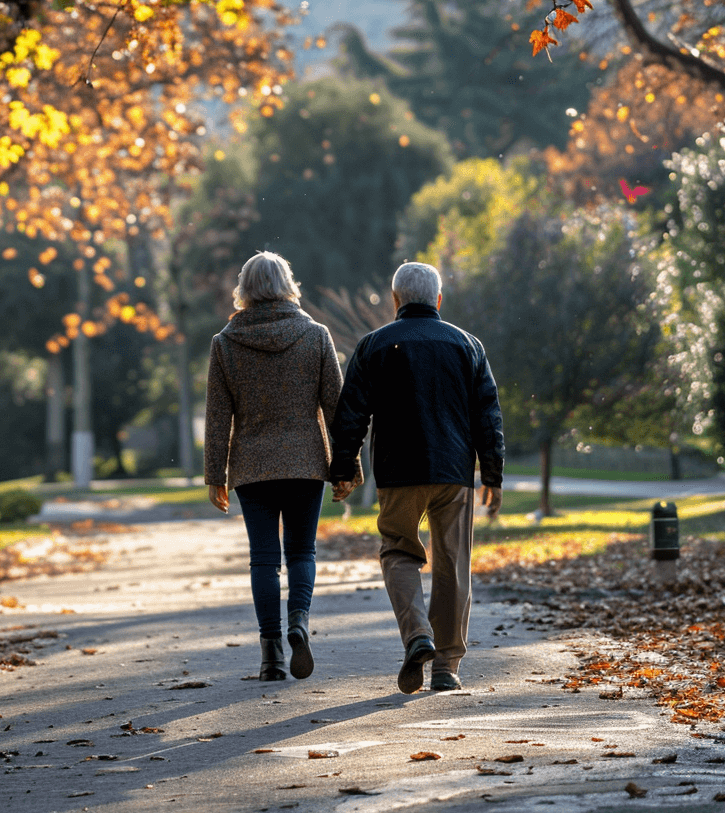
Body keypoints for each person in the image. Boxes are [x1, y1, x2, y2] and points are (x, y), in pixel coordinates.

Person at [329, 261, 504, 694]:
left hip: (398, 471)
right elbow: (488, 415)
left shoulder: (373, 345)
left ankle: (417, 636)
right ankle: (446, 666)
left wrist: (343, 468)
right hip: (454, 472)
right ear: (438, 300)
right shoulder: (468, 345)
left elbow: (350, 415)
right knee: (452, 563)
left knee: (398, 551)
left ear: (396, 300)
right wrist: (493, 475)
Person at [204, 251, 354, 682]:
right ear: (289, 284)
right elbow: (337, 409)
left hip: (252, 466)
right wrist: (346, 467)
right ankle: (299, 623)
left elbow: (218, 417)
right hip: (306, 463)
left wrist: (216, 476)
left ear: (244, 290)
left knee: (264, 560)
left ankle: (270, 655)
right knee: (302, 552)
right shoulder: (316, 335)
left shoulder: (225, 343)